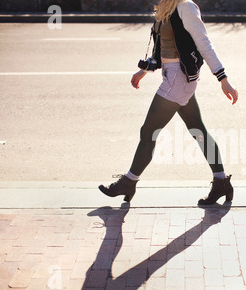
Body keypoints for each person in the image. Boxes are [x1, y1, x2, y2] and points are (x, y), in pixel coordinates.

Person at [99, 0, 238, 205]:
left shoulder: (185, 7)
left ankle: (129, 182)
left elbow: (204, 43)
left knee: (148, 131)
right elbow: (162, 48)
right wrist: (144, 70)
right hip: (172, 76)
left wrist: (223, 78)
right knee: (198, 130)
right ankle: (221, 182)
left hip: (178, 79)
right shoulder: (166, 7)